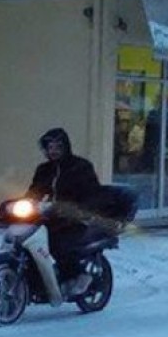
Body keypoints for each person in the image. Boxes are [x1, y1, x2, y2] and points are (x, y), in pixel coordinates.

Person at [26, 127, 101, 297]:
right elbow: (34, 191)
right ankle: (37, 278)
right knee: (30, 240)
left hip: (75, 218)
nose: (53, 151)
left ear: (66, 147)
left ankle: (79, 277)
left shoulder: (80, 167)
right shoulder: (44, 169)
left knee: (60, 244)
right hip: (51, 215)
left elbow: (92, 192)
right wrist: (26, 202)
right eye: (50, 147)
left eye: (57, 147)